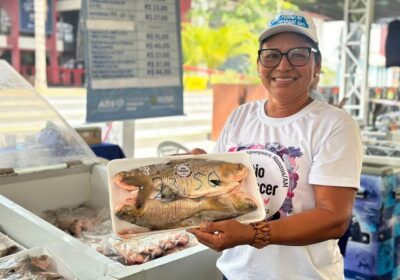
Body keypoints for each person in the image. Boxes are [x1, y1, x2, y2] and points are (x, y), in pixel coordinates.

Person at [187, 10, 363, 280]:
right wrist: (195, 169)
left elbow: (334, 218)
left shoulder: (335, 124)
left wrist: (251, 234)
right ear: (259, 66)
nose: (283, 66)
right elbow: (224, 193)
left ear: (316, 66)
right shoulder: (240, 116)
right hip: (235, 274)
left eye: (298, 54)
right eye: (271, 55)